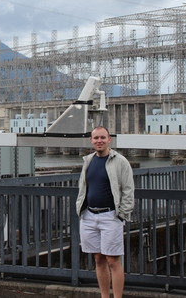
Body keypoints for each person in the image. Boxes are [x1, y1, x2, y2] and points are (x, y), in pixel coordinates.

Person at [76, 126, 135, 298]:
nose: (99, 141)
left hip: (110, 216)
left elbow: (128, 190)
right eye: (96, 138)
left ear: (109, 139)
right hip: (89, 215)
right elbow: (83, 186)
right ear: (91, 141)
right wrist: (80, 207)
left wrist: (122, 213)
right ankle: (104, 296)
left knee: (113, 260)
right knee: (98, 258)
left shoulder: (120, 161)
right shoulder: (88, 161)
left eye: (102, 137)